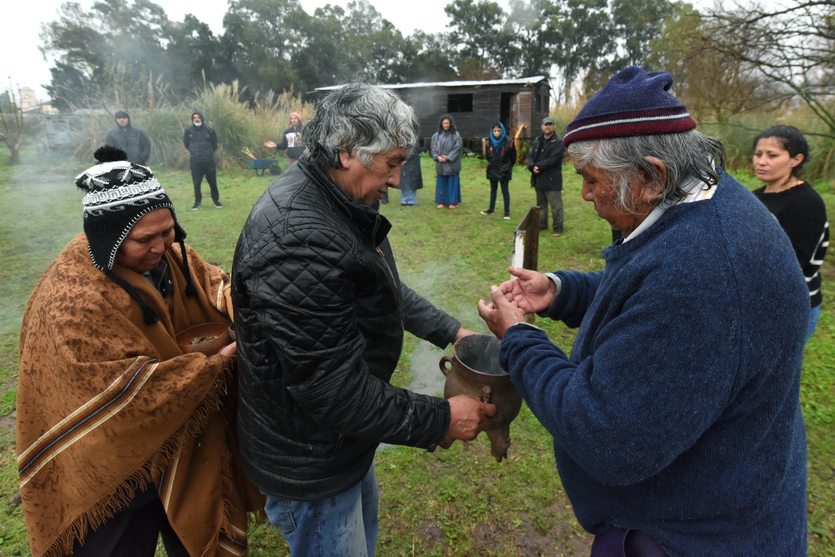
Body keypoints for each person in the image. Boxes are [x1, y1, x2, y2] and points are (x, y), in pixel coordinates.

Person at [477, 67, 809, 556]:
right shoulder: (702, 200)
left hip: (687, 540)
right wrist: (561, 291)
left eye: (591, 179)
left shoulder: (702, 272)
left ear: (652, 175)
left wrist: (519, 338)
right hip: (707, 509)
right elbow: (646, 296)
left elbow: (606, 436)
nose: (585, 193)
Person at [231, 82, 495, 557]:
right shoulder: (298, 240)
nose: (396, 180)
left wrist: (454, 332)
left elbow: (382, 290)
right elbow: (334, 392)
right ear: (347, 151)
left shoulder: (339, 199)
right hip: (311, 459)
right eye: (391, 164)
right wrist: (441, 419)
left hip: (341, 441)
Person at [16, 145, 263, 557]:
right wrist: (210, 367)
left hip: (182, 439)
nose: (160, 246)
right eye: (144, 239)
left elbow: (212, 285)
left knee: (195, 529)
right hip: (113, 462)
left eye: (168, 230)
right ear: (107, 238)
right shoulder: (72, 297)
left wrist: (251, 309)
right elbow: (116, 389)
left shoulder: (173, 257)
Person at [752, 125, 829, 341]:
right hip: (757, 303)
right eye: (758, 154)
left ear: (796, 160)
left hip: (790, 307)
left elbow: (794, 263)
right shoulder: (755, 197)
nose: (761, 161)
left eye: (772, 155)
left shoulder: (806, 203)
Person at [527, 116, 566, 236]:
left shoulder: (558, 142)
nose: (547, 127)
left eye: (550, 124)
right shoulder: (537, 140)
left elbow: (554, 159)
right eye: (546, 124)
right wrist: (532, 166)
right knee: (541, 205)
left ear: (554, 126)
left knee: (556, 206)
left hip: (552, 179)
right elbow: (531, 156)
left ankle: (558, 228)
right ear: (542, 127)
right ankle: (542, 225)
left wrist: (538, 166)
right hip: (539, 179)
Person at [183, 111, 222, 210]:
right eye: (194, 118)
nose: (196, 119)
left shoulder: (210, 130)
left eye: (198, 117)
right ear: (192, 119)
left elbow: (214, 144)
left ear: (202, 118)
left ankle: (216, 201)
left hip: (209, 160)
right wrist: (195, 152)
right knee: (196, 182)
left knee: (212, 181)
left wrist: (207, 153)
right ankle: (197, 202)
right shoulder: (188, 131)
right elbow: (186, 144)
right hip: (195, 161)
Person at [481, 122, 516, 219]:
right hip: (492, 168)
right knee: (493, 190)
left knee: (505, 190)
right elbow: (488, 156)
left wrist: (507, 166)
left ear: (502, 131)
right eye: (494, 131)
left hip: (504, 169)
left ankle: (507, 212)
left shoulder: (509, 141)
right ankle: (491, 209)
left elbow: (513, 156)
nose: (496, 133)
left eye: (498, 131)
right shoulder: (489, 142)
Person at [431, 114, 463, 209]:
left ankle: (452, 202)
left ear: (451, 124)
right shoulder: (436, 136)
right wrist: (437, 157)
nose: (445, 125)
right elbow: (432, 148)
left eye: (447, 123)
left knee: (452, 184)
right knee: (442, 184)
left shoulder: (456, 135)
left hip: (452, 164)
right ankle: (442, 201)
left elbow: (458, 148)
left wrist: (448, 157)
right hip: (441, 164)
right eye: (444, 123)